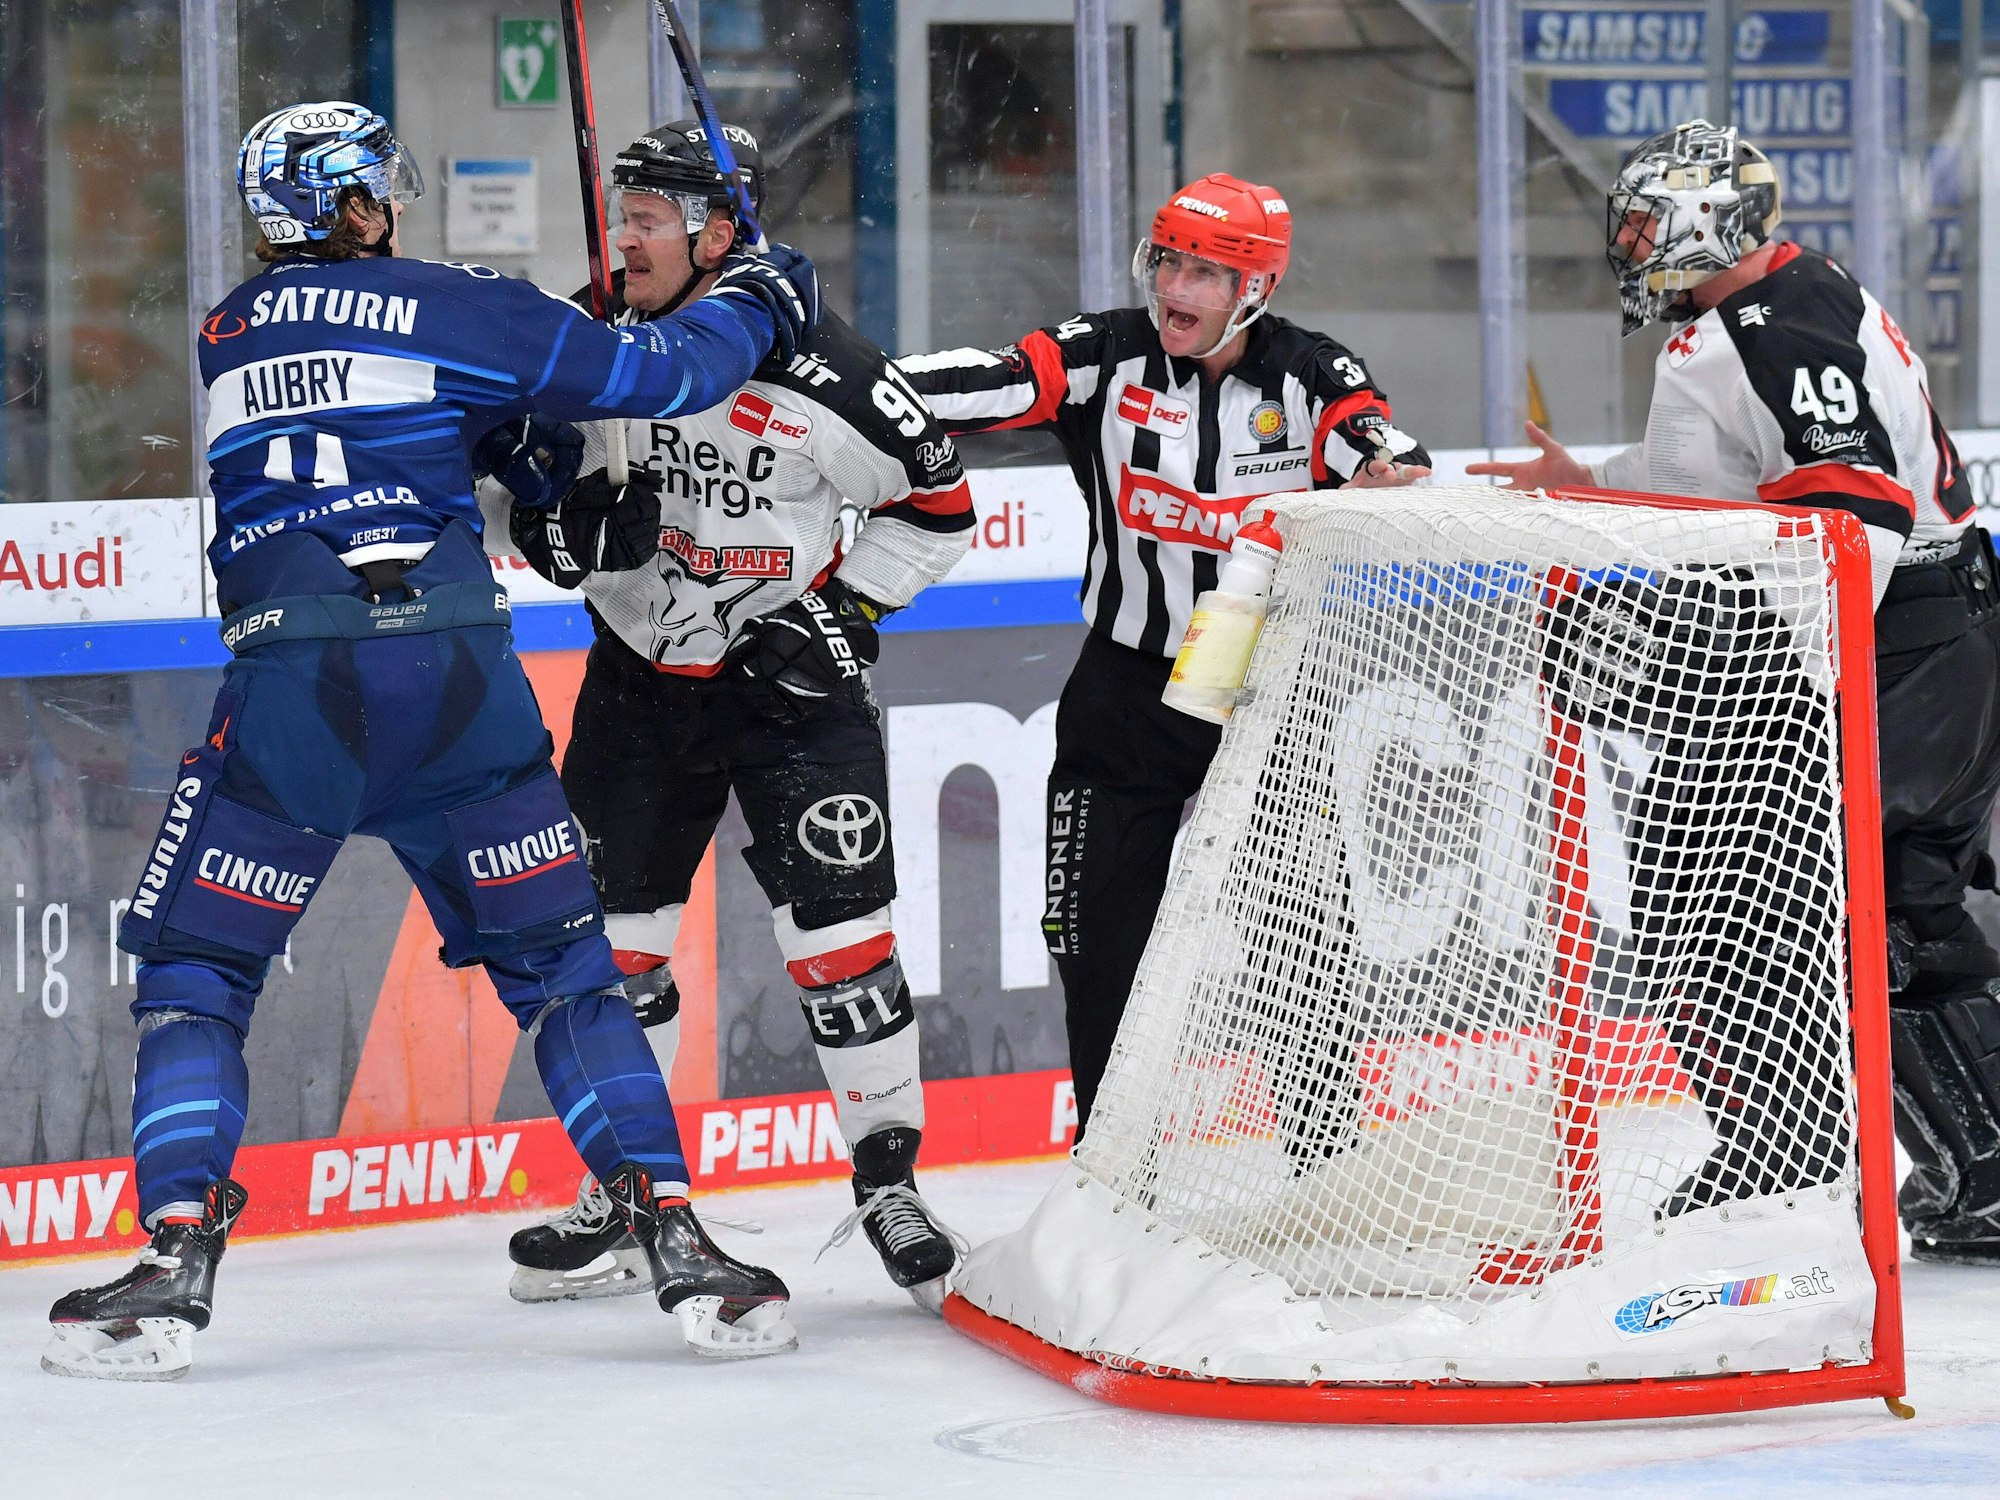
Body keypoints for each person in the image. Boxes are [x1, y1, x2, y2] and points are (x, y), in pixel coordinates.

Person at [41, 100, 821, 1381]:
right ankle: (673, 1229)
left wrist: (525, 415)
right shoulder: (451, 302)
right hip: (454, 678)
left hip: (297, 688)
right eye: (376, 192)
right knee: (567, 971)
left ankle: (176, 1255)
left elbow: (402, 423)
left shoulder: (227, 328)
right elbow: (666, 375)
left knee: (195, 978)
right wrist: (756, 296)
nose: (390, 210)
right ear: (351, 204)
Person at [1469, 118, 2000, 1264]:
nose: (1627, 244)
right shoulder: (1774, 309)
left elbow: (1854, 515)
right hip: (1930, 633)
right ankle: (1960, 1166)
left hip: (1884, 648)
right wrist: (1594, 484)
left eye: (1641, 223)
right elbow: (1740, 475)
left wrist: (1747, 667)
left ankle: (1792, 1151)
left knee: (1722, 898)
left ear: (1704, 222)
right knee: (1893, 914)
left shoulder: (1766, 323)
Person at [483, 121, 975, 1310]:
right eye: (620, 211)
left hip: (786, 692)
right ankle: (629, 1190)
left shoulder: (825, 371)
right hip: (637, 684)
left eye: (650, 216)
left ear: (717, 234)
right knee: (613, 953)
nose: (625, 235)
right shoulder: (584, 340)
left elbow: (942, 506)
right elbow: (501, 483)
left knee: (840, 949)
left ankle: (887, 1181)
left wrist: (847, 612)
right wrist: (554, 533)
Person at [897, 173, 1432, 1136]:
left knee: (1300, 942)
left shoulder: (1313, 372)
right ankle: (1112, 1171)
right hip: (1125, 689)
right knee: (1092, 939)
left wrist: (1395, 477)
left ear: (1256, 288)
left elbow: (1383, 452)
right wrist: (850, 377)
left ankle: (1326, 1155)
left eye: (1207, 273)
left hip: (1269, 699)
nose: (1177, 290)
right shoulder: (1105, 353)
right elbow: (987, 380)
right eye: (1168, 261)